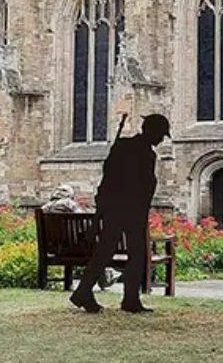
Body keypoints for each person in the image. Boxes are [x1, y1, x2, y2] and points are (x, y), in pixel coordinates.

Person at [70, 114, 169, 314]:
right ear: (151, 131)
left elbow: (109, 176)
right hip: (130, 210)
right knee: (136, 254)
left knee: (105, 251)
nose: (161, 139)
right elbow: (140, 185)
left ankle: (85, 291)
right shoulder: (144, 154)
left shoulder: (123, 146)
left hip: (115, 208)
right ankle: (129, 299)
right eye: (160, 134)